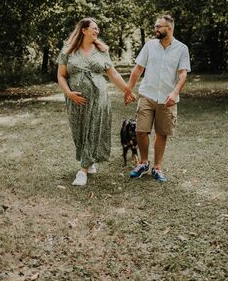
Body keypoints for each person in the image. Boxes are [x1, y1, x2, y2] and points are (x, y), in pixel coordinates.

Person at [57, 17, 135, 187]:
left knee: (92, 130)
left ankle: (83, 170)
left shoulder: (101, 50)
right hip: (75, 100)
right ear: (83, 30)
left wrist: (127, 90)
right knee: (79, 133)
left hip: (99, 97)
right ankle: (89, 160)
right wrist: (69, 93)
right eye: (94, 28)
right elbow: (61, 75)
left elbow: (113, 74)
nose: (97, 31)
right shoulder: (68, 50)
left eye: (98, 28)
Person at [124, 14, 191, 182]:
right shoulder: (150, 46)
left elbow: (182, 74)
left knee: (162, 133)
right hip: (147, 94)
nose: (156, 29)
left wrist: (175, 93)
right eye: (155, 26)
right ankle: (144, 163)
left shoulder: (182, 49)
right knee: (140, 130)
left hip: (167, 98)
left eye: (159, 26)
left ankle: (157, 167)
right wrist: (128, 90)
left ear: (169, 28)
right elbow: (138, 69)